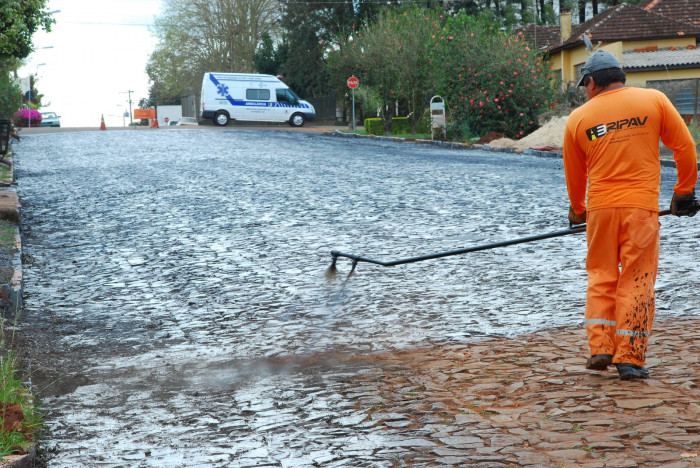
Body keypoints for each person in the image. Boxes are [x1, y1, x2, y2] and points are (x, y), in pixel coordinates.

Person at [563, 50, 699, 380]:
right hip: (641, 210)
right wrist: (684, 191)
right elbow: (685, 148)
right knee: (637, 280)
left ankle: (600, 347)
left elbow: (575, 175)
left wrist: (578, 211)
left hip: (600, 212)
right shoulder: (654, 100)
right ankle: (629, 357)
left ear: (591, 82)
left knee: (601, 277)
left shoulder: (578, 119)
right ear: (620, 76)